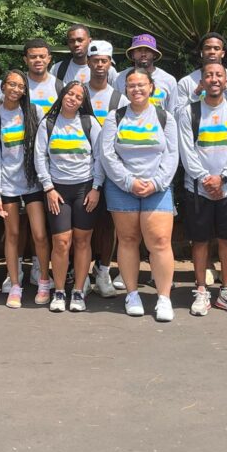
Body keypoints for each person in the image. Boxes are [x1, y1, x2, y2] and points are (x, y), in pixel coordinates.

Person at [101, 68, 180, 321]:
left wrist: (156, 183)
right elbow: (107, 154)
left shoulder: (165, 117)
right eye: (131, 85)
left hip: (157, 187)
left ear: (151, 88)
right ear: (125, 89)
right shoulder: (116, 117)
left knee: (159, 241)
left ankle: (164, 298)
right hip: (122, 186)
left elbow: (171, 155)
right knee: (127, 239)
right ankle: (132, 294)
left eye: (141, 85)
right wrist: (128, 181)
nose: (136, 89)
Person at [177, 62, 227, 316]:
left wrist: (224, 178)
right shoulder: (189, 112)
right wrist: (206, 179)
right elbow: (186, 151)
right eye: (209, 75)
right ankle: (201, 290)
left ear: (226, 81)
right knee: (199, 241)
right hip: (198, 189)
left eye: (219, 75)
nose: (214, 79)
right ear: (202, 81)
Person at [34, 81, 104, 313]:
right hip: (57, 191)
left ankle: (78, 292)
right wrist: (48, 188)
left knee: (83, 241)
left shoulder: (89, 123)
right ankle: (60, 290)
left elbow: (100, 157)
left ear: (83, 102)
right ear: (62, 95)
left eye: (78, 96)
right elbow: (40, 157)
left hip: (85, 189)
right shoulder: (48, 123)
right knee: (61, 242)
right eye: (69, 94)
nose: (73, 98)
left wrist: (96, 187)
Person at [0, 70, 52, 308]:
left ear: (25, 90)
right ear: (3, 87)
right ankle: (15, 284)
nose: (16, 89)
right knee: (12, 235)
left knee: (39, 234)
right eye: (11, 84)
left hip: (33, 182)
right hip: (7, 184)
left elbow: (44, 146)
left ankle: (44, 280)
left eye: (20, 86)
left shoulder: (34, 112)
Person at [87, 40, 127, 297]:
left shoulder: (119, 97)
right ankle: (79, 272)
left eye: (104, 61)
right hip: (81, 169)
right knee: (83, 225)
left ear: (110, 63)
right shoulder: (77, 92)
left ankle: (103, 271)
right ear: (88, 63)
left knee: (109, 224)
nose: (100, 65)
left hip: (111, 170)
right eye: (95, 61)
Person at [175, 32, 227, 107]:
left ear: (223, 53)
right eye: (207, 48)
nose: (212, 52)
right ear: (201, 52)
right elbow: (178, 113)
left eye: (216, 48)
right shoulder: (185, 83)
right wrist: (196, 94)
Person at [114, 33, 179, 114]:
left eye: (147, 50)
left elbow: (172, 113)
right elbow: (115, 109)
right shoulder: (119, 78)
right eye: (139, 50)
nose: (143, 54)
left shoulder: (169, 80)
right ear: (133, 55)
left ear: (154, 54)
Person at [50, 24, 116, 85]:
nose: (76, 44)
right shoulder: (57, 69)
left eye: (80, 40)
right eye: (72, 41)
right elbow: (50, 95)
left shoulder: (108, 71)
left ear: (90, 41)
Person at [24, 38, 63, 115]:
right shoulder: (19, 85)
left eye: (42, 56)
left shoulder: (60, 87)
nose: (38, 60)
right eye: (33, 57)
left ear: (49, 59)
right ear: (26, 60)